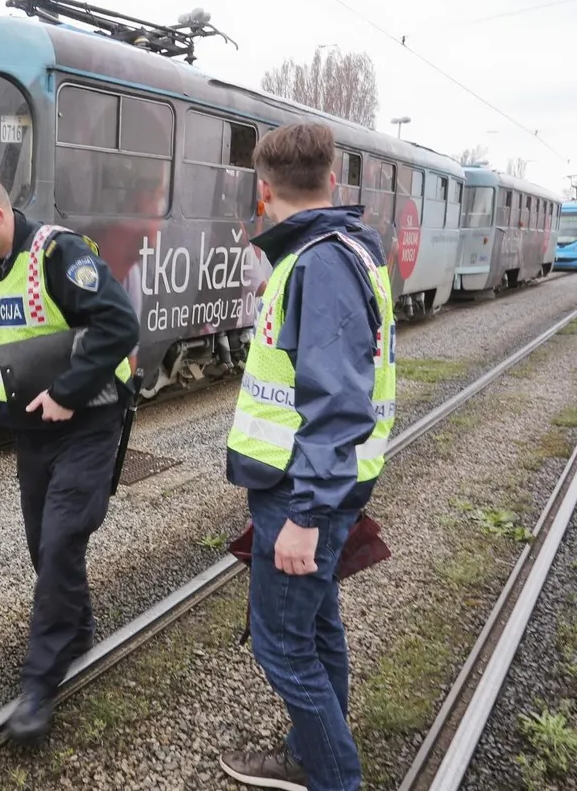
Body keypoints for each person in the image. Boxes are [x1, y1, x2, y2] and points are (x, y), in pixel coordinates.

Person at [219, 122, 395, 791]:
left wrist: (306, 513)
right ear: (332, 180)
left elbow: (338, 401)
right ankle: (308, 754)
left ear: (263, 191)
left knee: (282, 645)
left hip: (303, 490)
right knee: (317, 628)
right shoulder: (342, 249)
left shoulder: (320, 261)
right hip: (312, 482)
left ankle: (333, 776)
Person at [0, 171, 140, 743]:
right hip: (32, 430)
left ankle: (39, 682)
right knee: (43, 546)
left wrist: (66, 392)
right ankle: (75, 628)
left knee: (60, 540)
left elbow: (119, 325)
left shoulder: (58, 253)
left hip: (90, 423)